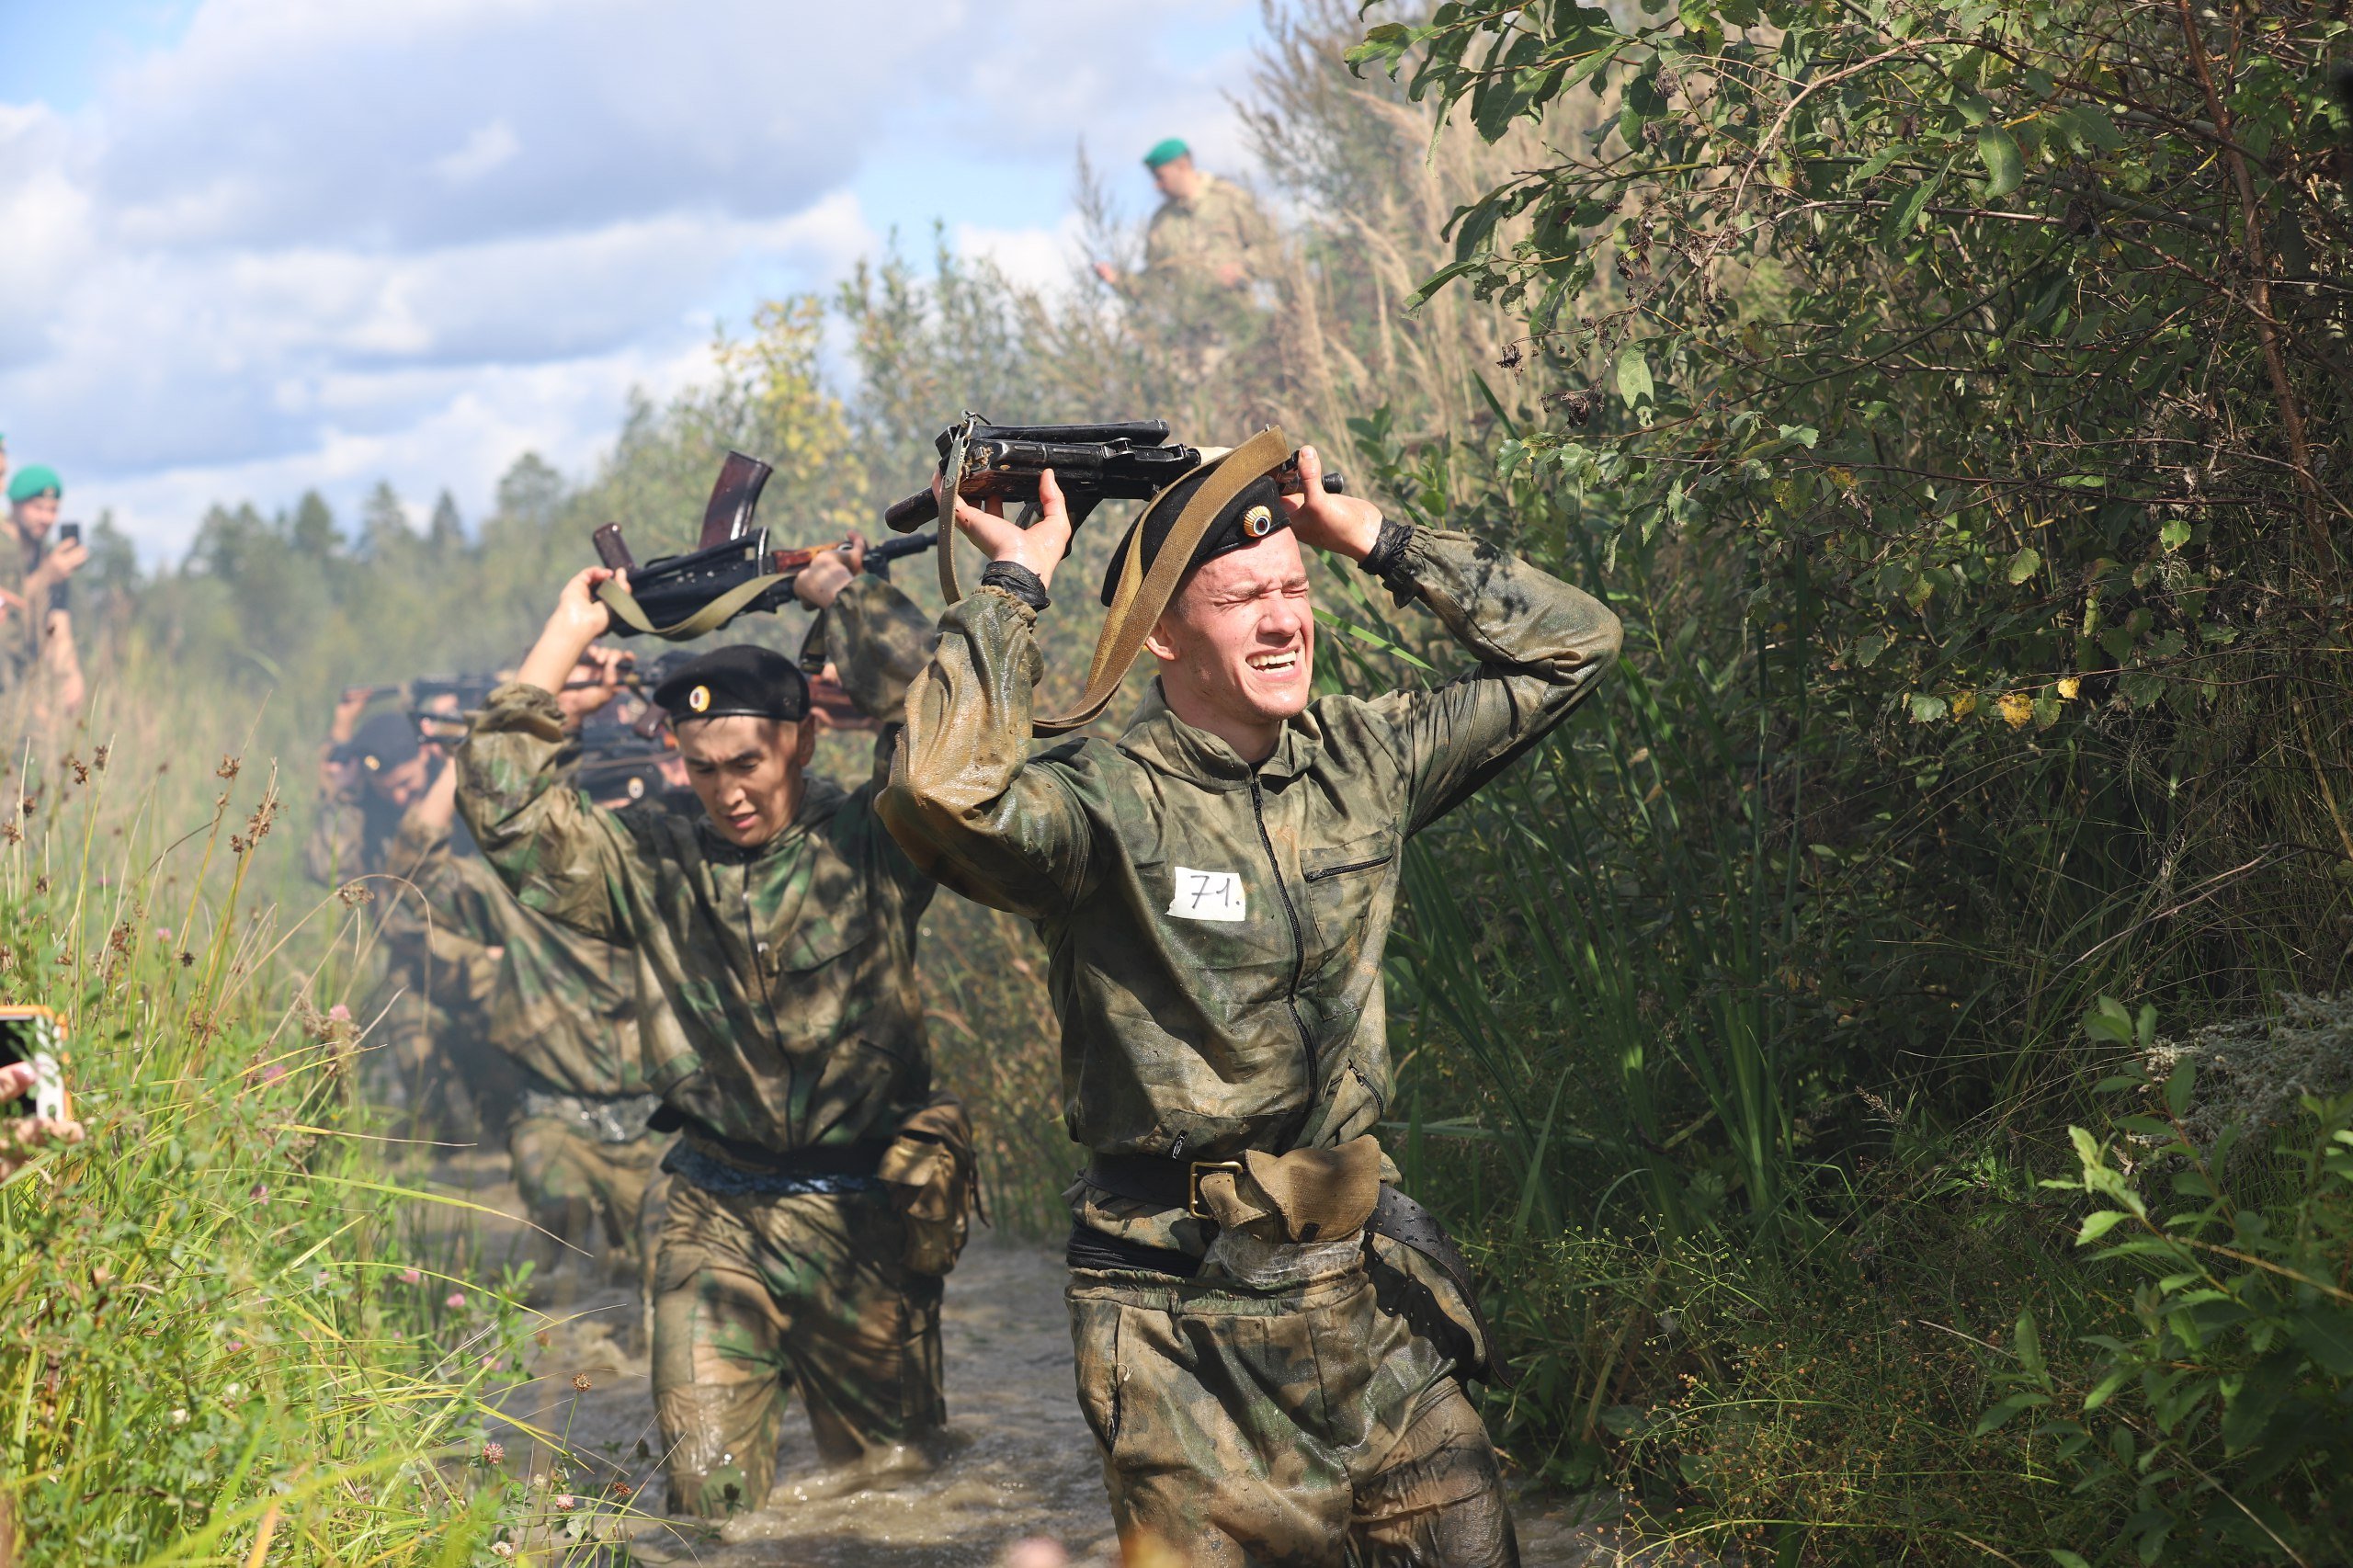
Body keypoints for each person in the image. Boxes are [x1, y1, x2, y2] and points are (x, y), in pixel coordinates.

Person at [878, 437, 1621, 1565]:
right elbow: (939, 788)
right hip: (1180, 1322)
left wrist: (1374, 537)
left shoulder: (1361, 757)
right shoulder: (1100, 803)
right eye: (1242, 599)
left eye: (1292, 592)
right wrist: (1013, 585)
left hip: (1363, 1301)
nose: (1283, 622)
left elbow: (1575, 647)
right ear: (1163, 634)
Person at [454, 541, 976, 1518]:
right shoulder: (649, 861)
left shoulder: (877, 840)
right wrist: (568, 634)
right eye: (701, 769)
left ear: (803, 741)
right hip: (711, 1215)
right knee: (709, 1499)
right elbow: (503, 802)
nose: (728, 789)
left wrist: (844, 596)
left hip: (864, 1215)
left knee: (896, 1488)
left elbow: (947, 728)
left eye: (748, 762)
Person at [307, 706, 518, 1140]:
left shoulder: (464, 786)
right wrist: (341, 795)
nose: (400, 798)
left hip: (487, 959)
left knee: (506, 1093)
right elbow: (324, 867)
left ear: (424, 757)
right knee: (428, 1104)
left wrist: (506, 946)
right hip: (415, 969)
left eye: (406, 785)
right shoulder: (366, 810)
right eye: (390, 790)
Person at [1093, 138, 1279, 298]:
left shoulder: (1230, 199)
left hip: (1241, 321)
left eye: (1161, 176)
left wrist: (1240, 269)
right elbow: (1155, 283)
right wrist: (1118, 280)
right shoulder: (1161, 223)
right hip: (1189, 330)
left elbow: (1270, 249)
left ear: (1182, 166)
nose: (1157, 186)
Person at [0, 464, 87, 717]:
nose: (47, 518)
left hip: (22, 682)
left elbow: (57, 618)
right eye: (38, 508)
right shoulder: (5, 550)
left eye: (53, 510)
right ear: (15, 505)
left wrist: (69, 674)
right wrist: (45, 576)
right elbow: (9, 606)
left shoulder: (47, 556)